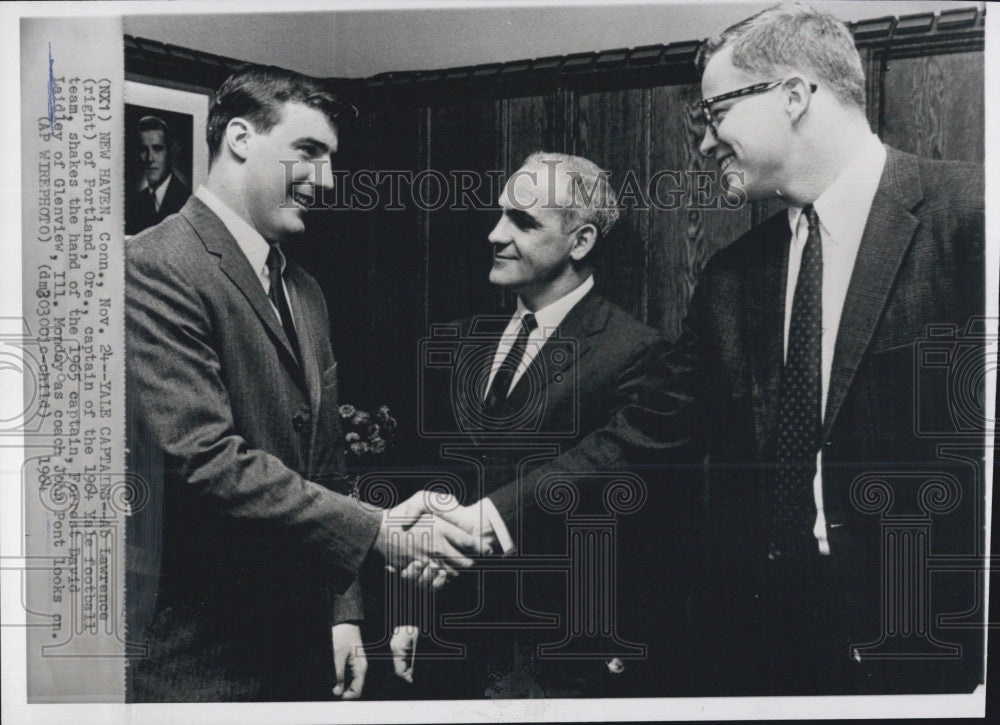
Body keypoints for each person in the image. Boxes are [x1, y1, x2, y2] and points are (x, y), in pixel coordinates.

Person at [125, 66, 486, 702]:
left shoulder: (304, 291)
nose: (326, 180)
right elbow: (205, 461)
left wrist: (342, 613)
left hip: (300, 652)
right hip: (203, 663)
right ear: (239, 137)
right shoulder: (154, 266)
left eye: (330, 159)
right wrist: (379, 529)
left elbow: (325, 465)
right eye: (308, 152)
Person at [674, 1, 984, 695]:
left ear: (791, 95)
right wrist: (493, 516)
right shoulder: (729, 275)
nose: (703, 144)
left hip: (930, 643)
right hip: (764, 648)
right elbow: (652, 429)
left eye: (714, 114)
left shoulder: (972, 216)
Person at [392, 152, 696, 698]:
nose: (494, 233)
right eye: (500, 213)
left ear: (579, 242)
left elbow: (610, 481)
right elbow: (440, 481)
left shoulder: (636, 351)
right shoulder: (465, 339)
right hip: (452, 651)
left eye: (523, 221)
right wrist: (410, 609)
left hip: (560, 663)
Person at [125, 115, 191, 235]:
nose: (150, 158)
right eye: (143, 149)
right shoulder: (133, 204)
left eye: (157, 149)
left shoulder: (187, 199)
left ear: (170, 152)